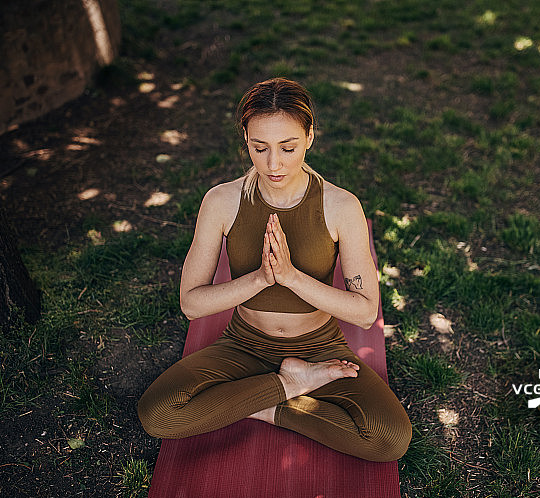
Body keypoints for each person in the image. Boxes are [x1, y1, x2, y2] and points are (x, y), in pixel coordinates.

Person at [137, 78, 411, 462]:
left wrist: (292, 277)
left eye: (288, 147)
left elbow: (365, 312)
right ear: (245, 139)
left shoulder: (340, 206)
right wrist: (261, 278)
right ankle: (289, 384)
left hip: (319, 347)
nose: (273, 164)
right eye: (259, 148)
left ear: (310, 136)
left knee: (388, 439)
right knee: (158, 414)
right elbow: (191, 304)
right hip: (244, 344)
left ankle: (259, 400)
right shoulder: (222, 201)